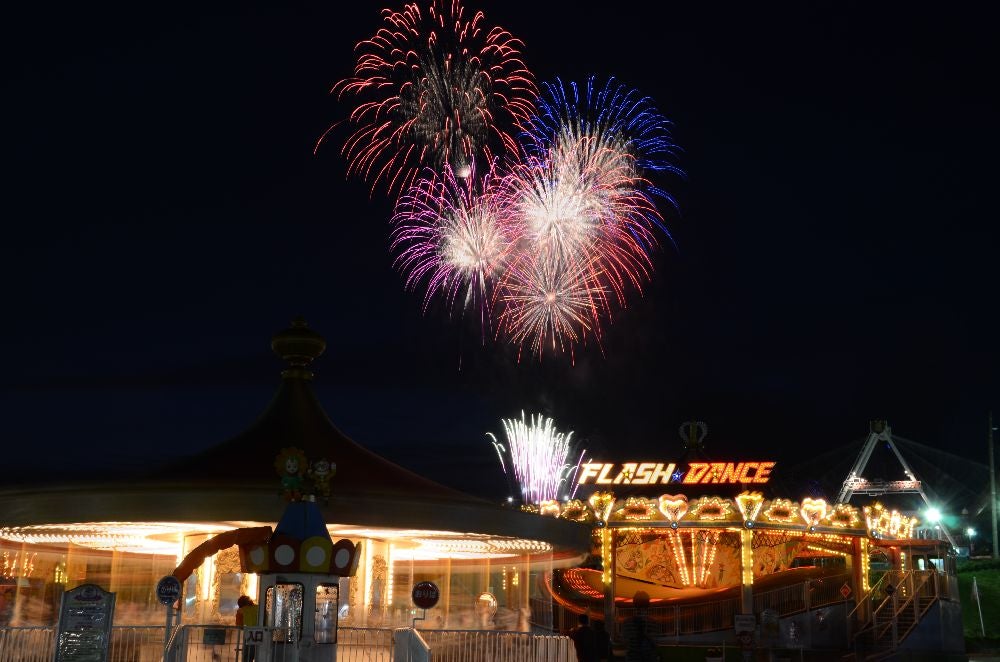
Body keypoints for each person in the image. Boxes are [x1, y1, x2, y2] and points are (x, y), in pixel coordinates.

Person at [622, 591, 658, 662]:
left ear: (634, 604)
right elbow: (655, 643)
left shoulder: (626, 623)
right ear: (648, 604)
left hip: (632, 659)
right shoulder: (653, 623)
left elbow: (625, 642)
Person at [235, 595, 258, 662]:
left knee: (247, 655)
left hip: (249, 635)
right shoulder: (259, 608)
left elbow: (239, 625)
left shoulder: (240, 611)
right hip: (261, 634)